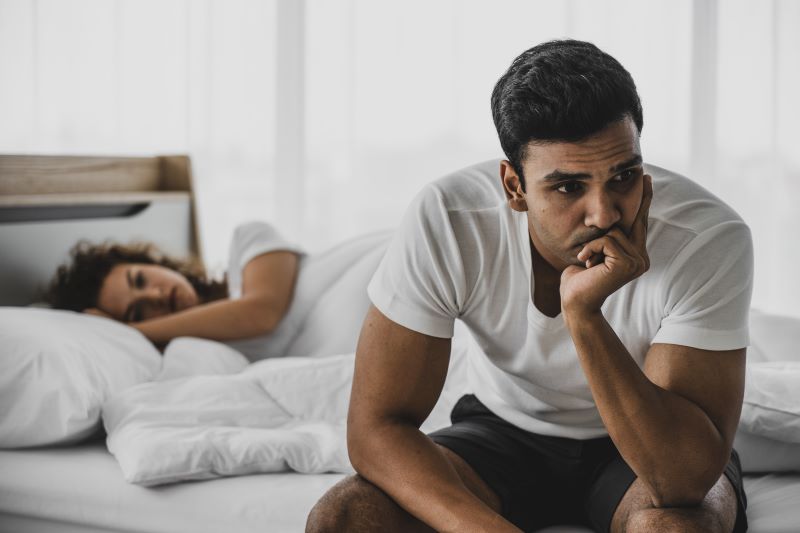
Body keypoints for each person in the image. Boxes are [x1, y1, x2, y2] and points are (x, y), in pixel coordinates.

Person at [306, 40, 752, 533]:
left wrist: (583, 316)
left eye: (623, 176)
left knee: (676, 528)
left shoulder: (708, 237)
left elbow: (681, 480)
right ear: (514, 187)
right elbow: (375, 430)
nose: (605, 214)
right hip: (503, 434)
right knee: (346, 517)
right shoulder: (451, 220)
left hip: (644, 446)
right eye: (568, 187)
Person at [45, 222, 391, 360]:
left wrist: (128, 330)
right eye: (137, 310)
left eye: (139, 279)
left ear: (150, 260)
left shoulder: (249, 243)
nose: (154, 296)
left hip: (390, 270)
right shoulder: (199, 356)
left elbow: (261, 313)